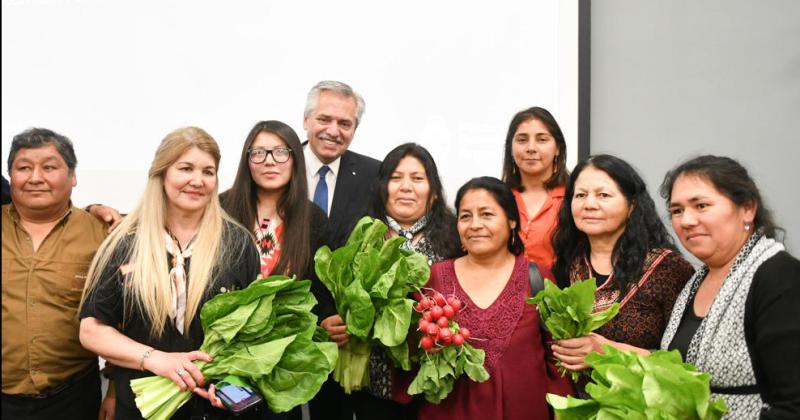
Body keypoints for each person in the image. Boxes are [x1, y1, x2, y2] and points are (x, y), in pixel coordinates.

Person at [78, 127, 261, 419]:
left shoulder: (238, 245)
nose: (197, 181)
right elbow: (92, 331)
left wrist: (231, 383)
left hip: (211, 408)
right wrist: (155, 360)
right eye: (185, 168)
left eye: (208, 171)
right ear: (162, 174)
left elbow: (252, 336)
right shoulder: (125, 242)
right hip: (139, 408)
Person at [411, 176, 570, 419]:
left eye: (486, 214)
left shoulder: (538, 278)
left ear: (512, 221)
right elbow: (413, 353)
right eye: (465, 216)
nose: (475, 224)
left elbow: (558, 357)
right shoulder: (434, 279)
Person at [658, 155, 800, 418]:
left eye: (701, 205)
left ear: (747, 209)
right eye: (677, 211)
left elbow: (793, 404)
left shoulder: (779, 276)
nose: (686, 220)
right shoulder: (696, 280)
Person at [331, 143, 461, 419]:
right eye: (395, 177)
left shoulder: (455, 240)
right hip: (374, 385)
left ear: (434, 192)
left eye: (417, 178)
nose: (406, 187)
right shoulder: (361, 234)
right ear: (382, 187)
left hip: (436, 380)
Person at [2, 128, 114, 419]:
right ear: (10, 176)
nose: (35, 177)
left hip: (72, 397)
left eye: (49, 167)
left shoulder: (102, 235)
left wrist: (114, 390)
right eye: (24, 168)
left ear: (73, 177)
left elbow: (127, 317)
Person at [550, 155, 694, 372]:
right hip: (574, 401)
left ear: (631, 205)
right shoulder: (567, 265)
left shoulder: (669, 269)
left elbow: (685, 361)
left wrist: (608, 351)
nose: (589, 204)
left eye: (603, 195)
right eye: (580, 195)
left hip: (646, 401)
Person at [302, 80, 381, 420]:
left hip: (346, 339)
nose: (333, 130)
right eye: (324, 119)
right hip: (287, 331)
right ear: (306, 120)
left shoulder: (375, 174)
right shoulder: (277, 167)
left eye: (345, 123)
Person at [501, 106, 569, 269]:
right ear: (510, 148)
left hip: (560, 291)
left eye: (542, 139)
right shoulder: (498, 198)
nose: (531, 148)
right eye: (522, 140)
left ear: (558, 148)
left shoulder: (574, 197)